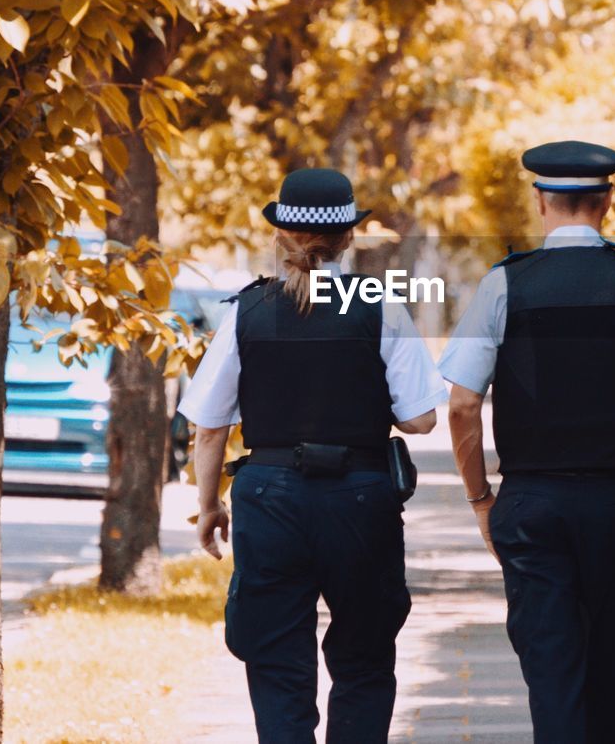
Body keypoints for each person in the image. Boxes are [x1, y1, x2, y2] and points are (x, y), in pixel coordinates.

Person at [439, 140, 615, 744]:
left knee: (554, 676)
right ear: (608, 202)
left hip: (532, 506)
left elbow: (464, 403)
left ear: (541, 200)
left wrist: (479, 499)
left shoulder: (503, 286)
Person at [178, 167, 447, 744]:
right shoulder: (381, 307)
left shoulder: (245, 312)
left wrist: (209, 508)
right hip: (360, 500)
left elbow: (209, 426)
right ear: (349, 236)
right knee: (365, 660)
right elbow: (422, 417)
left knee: (277, 665)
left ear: (281, 236)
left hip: (270, 499)